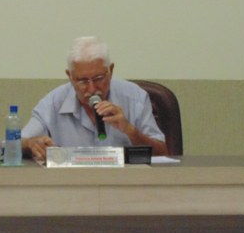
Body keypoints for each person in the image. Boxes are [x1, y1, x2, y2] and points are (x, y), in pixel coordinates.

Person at [21, 36, 168, 161]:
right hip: (72, 183)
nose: (92, 89)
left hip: (125, 183)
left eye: (99, 78)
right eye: (82, 81)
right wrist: (30, 144)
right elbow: (15, 143)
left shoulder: (135, 98)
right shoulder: (53, 103)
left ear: (111, 70)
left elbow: (164, 154)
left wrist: (130, 130)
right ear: (70, 76)